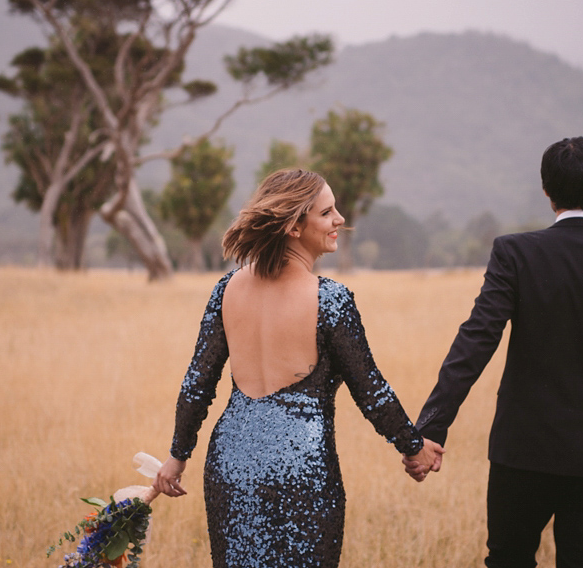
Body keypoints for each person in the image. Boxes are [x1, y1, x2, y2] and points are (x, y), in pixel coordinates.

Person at [405, 137, 583, 568]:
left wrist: (432, 427)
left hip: (522, 452)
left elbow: (476, 341)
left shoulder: (517, 253)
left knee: (507, 560)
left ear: (546, 190)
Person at [154, 168, 443, 568]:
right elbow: (371, 391)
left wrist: (178, 455)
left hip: (230, 465)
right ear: (294, 226)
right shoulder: (331, 300)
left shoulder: (226, 289)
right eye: (327, 213)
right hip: (303, 472)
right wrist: (413, 447)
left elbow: (197, 384)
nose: (340, 219)